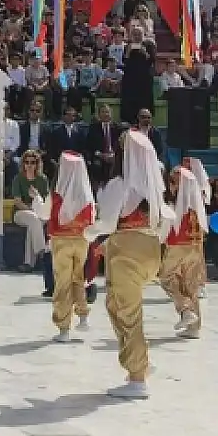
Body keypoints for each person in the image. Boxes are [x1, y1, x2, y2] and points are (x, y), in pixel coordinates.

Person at [87, 128, 173, 399]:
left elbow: (108, 222)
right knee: (116, 304)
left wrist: (87, 233)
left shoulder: (119, 184)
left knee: (127, 311)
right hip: (150, 248)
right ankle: (141, 360)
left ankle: (138, 377)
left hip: (126, 251)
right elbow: (167, 221)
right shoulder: (154, 187)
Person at [45, 152, 96, 338]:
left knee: (62, 282)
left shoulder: (57, 194)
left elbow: (44, 213)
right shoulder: (87, 195)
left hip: (61, 240)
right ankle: (83, 316)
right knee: (78, 277)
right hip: (81, 240)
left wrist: (37, 201)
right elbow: (92, 219)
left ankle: (63, 326)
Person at [161, 158, 211, 338]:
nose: (171, 186)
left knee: (167, 279)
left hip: (176, 247)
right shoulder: (198, 210)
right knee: (191, 285)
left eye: (173, 183)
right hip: (195, 249)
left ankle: (185, 309)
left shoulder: (176, 206)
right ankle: (194, 327)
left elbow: (166, 229)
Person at [10, 150, 51, 270]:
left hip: (40, 213)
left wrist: (37, 196)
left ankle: (28, 264)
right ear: (23, 164)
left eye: (32, 162)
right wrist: (32, 209)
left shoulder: (42, 179)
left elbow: (46, 200)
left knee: (33, 225)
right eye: (26, 162)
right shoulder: (18, 179)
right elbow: (18, 201)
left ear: (37, 164)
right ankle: (43, 252)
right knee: (33, 219)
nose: (29, 165)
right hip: (20, 213)